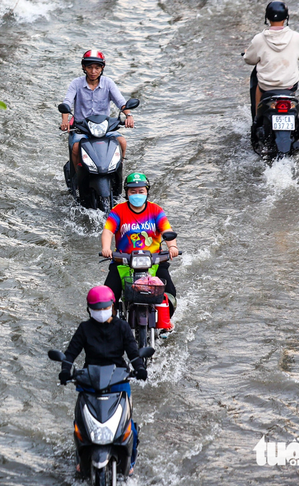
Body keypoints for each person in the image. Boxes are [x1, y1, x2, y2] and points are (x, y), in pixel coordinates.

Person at [58, 285, 147, 476]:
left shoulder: (122, 327)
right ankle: (81, 456)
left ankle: (130, 462)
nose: (100, 312)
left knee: (129, 425)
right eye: (96, 309)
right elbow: (71, 353)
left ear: (113, 307)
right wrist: (66, 369)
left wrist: (139, 368)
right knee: (80, 422)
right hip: (90, 380)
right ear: (89, 310)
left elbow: (132, 351)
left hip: (118, 380)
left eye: (104, 308)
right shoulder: (84, 328)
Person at [101, 172, 178, 317]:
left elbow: (166, 229)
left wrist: (172, 247)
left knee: (170, 294)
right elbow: (108, 231)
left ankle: (165, 322)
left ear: (147, 192)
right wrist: (106, 248)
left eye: (141, 191)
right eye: (133, 191)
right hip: (122, 261)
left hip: (154, 261)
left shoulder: (156, 210)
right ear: (127, 193)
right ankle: (110, 325)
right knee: (107, 297)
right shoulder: (118, 211)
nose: (137, 194)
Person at [60, 50, 135, 178]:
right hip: (81, 127)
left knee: (122, 142)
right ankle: (77, 176)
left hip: (104, 127)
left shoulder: (108, 83)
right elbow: (67, 103)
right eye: (89, 67)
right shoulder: (76, 84)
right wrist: (65, 121)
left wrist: (129, 115)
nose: (93, 71)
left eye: (97, 68)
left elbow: (121, 102)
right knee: (76, 147)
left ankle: (117, 170)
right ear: (84, 67)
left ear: (102, 68)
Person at [244, 2, 299, 121]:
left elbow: (249, 59)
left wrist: (246, 53)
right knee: (291, 90)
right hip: (289, 86)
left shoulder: (258, 39)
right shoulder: (297, 38)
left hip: (267, 87)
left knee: (258, 87)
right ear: (286, 18)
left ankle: (257, 119)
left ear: (267, 18)